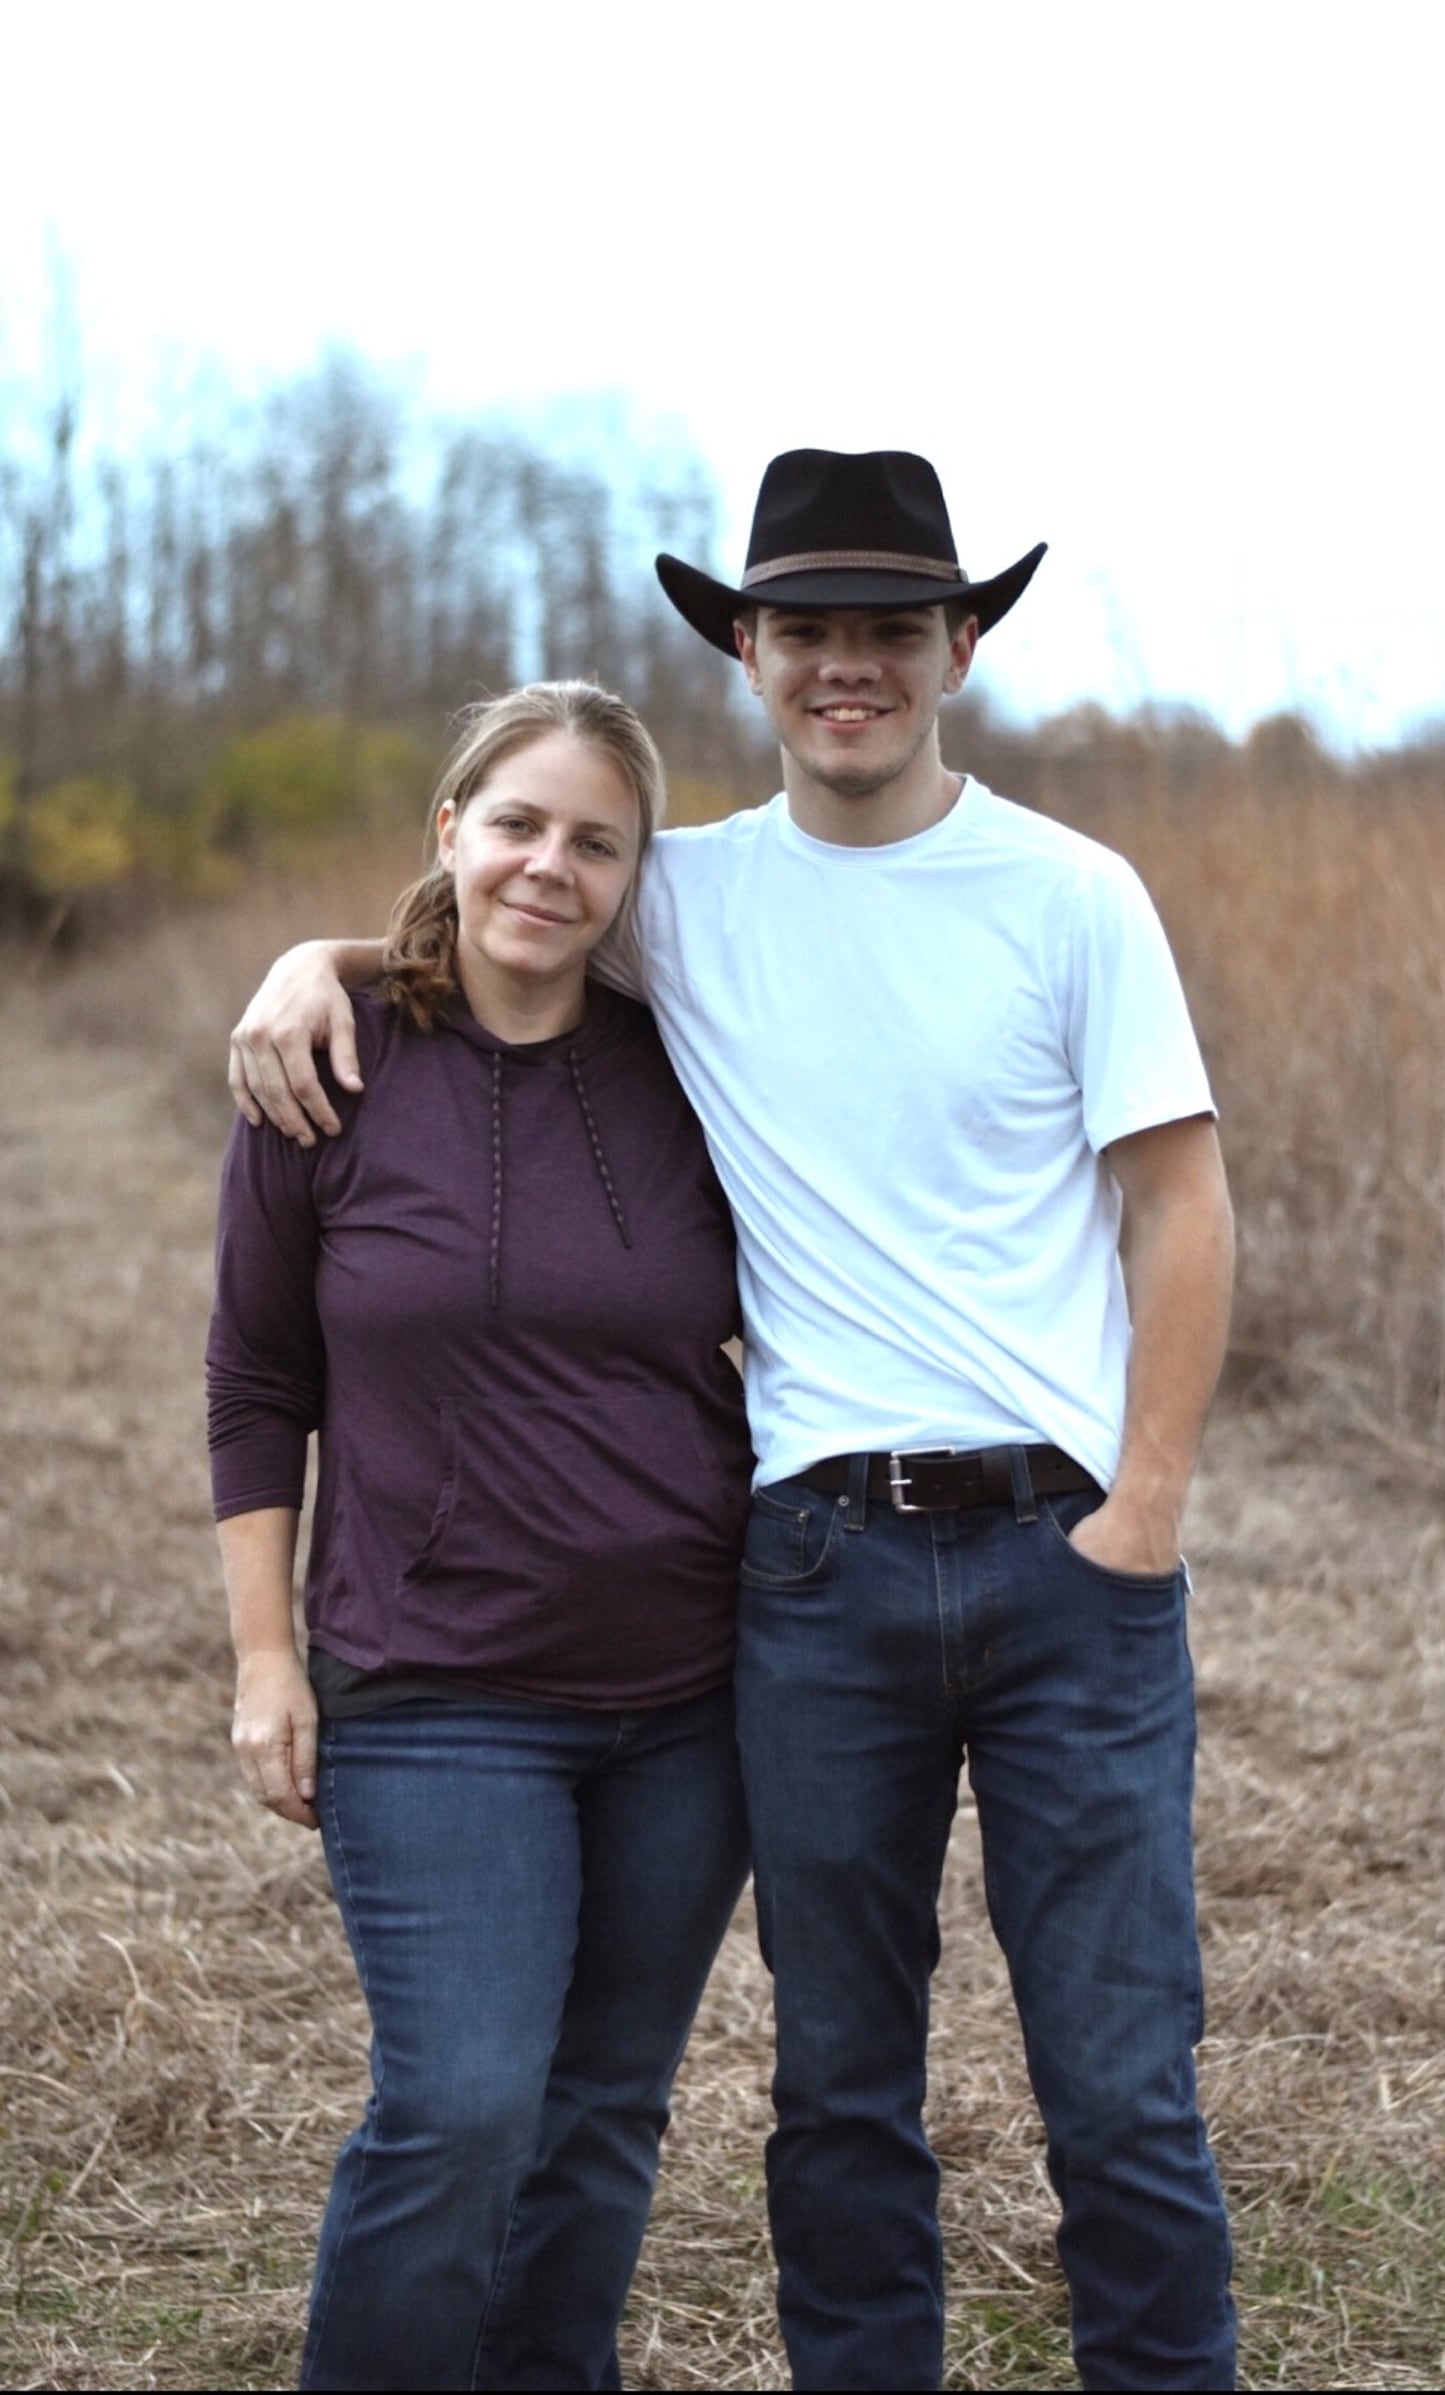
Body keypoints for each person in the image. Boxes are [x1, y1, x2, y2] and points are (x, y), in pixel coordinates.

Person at [230, 450, 1238, 2391]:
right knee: (838, 2085)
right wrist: (318, 959)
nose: (843, 667)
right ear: (751, 655)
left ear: (953, 646)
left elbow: (1175, 1197)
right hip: (814, 1569)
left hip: (1067, 1563)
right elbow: (500, 919)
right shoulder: (681, 894)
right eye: (805, 632)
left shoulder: (1067, 895)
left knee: (1117, 2078)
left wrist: (1148, 1514)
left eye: (885, 631)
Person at [208, 681, 753, 2392]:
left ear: (638, 876)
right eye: (518, 822)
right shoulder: (326, 1068)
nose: (550, 865)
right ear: (449, 829)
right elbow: (253, 1377)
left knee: (602, 2116)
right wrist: (263, 1657)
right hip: (435, 1688)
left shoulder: (703, 1066)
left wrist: (341, 942)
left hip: (692, 1689)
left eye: (598, 841)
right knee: (461, 2105)